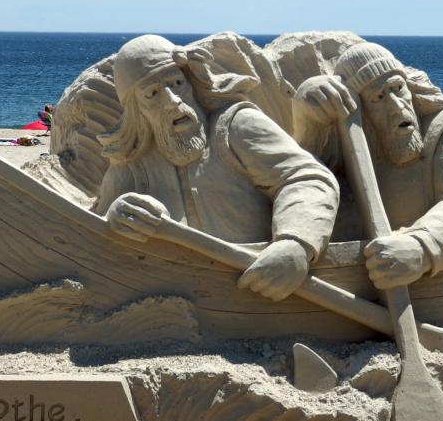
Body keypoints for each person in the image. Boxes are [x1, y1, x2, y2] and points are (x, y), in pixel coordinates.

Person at [97, 34, 340, 302]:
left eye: (177, 84)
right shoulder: (131, 166)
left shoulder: (236, 127)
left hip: (260, 284)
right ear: (136, 110)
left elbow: (306, 178)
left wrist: (295, 243)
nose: (173, 102)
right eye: (152, 93)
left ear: (192, 82)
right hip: (179, 296)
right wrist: (115, 215)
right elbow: (92, 232)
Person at [292, 42, 443, 287]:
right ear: (361, 112)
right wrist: (307, 117)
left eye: (398, 88)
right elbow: (307, 181)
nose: (397, 107)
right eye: (378, 98)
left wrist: (421, 246)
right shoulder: (359, 144)